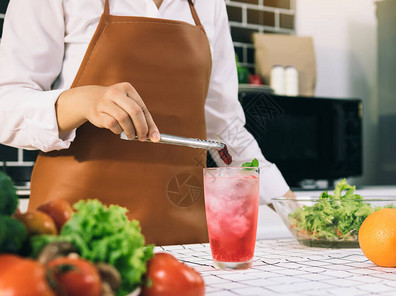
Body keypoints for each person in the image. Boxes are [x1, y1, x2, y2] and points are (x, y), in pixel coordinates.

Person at [0, 0, 294, 245]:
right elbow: (5, 105)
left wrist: (292, 208)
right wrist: (80, 101)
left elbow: (224, 130)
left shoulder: (208, 3)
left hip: (185, 237)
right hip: (74, 230)